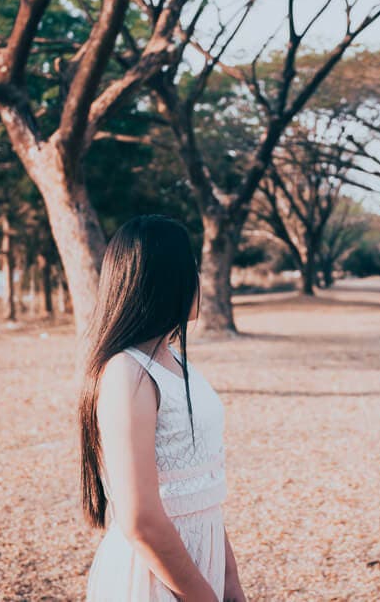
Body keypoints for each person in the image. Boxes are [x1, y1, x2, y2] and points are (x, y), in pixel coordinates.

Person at [79, 215, 245, 602]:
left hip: (200, 563)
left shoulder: (173, 359)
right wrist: (203, 596)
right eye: (192, 268)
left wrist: (229, 578)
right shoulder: (127, 373)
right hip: (156, 578)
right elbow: (141, 520)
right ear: (167, 278)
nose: (198, 281)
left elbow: (199, 490)